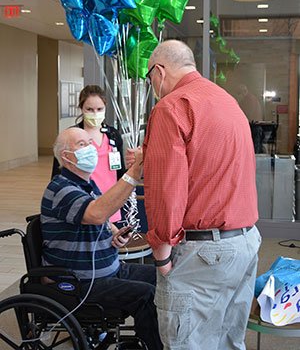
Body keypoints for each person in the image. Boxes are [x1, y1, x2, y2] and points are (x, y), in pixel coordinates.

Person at [142, 40, 261, 350]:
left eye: (150, 77)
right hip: (245, 242)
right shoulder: (227, 101)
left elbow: (166, 190)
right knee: (228, 341)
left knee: (188, 343)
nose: (153, 85)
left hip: (205, 253)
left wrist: (162, 256)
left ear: (159, 71)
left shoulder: (172, 106)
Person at [41, 127, 163, 350]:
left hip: (110, 268)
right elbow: (96, 214)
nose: (91, 148)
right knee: (146, 295)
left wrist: (113, 236)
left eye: (90, 142)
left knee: (163, 276)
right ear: (67, 157)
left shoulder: (86, 186)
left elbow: (101, 219)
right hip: (83, 282)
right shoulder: (61, 188)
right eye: (82, 145)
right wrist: (135, 171)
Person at [51, 84, 125, 222]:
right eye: (89, 109)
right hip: (84, 205)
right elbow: (58, 174)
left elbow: (120, 173)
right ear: (81, 109)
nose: (95, 113)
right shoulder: (71, 137)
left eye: (99, 109)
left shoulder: (113, 135)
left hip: (112, 205)